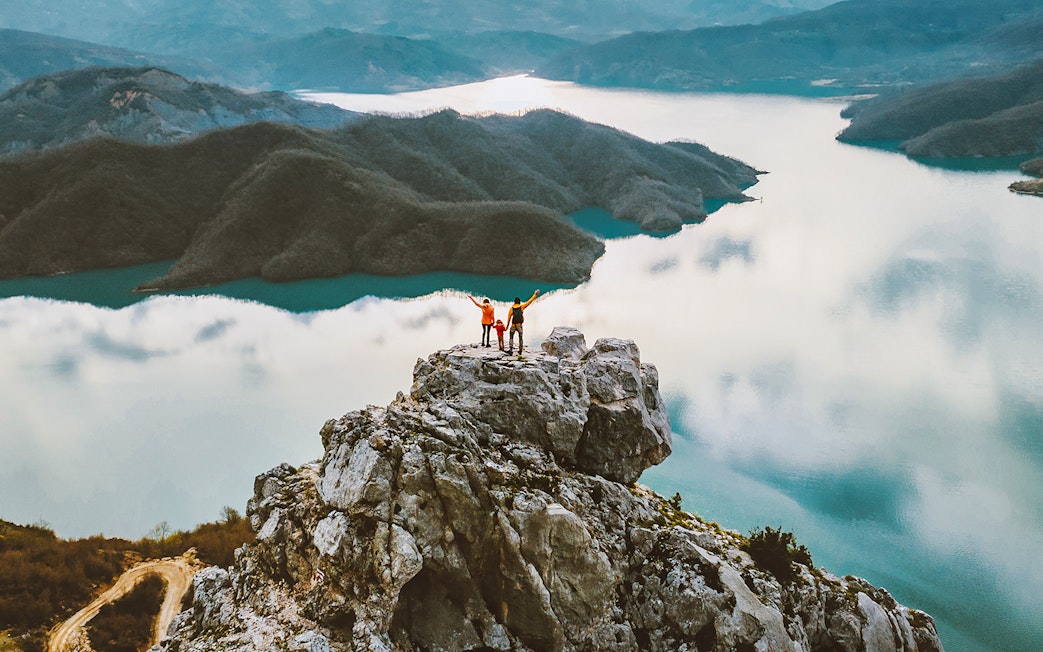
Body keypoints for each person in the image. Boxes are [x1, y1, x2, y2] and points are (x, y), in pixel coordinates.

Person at [506, 289, 540, 354]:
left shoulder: (511, 308)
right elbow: (529, 301)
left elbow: (509, 318)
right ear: (519, 302)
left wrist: (507, 327)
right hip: (519, 325)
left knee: (511, 337)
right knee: (520, 338)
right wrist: (535, 294)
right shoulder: (522, 307)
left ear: (514, 302)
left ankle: (510, 350)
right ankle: (520, 350)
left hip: (513, 325)